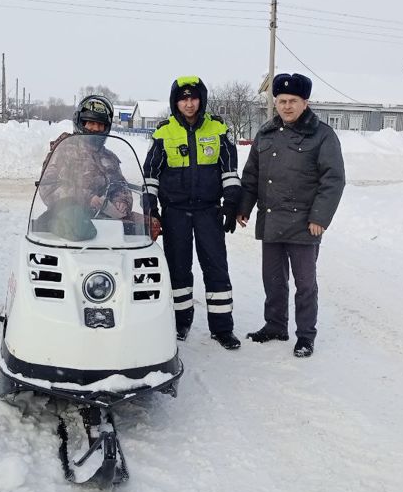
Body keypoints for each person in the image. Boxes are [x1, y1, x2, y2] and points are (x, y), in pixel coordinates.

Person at [237, 73, 345, 358]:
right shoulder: (266, 133)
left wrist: (319, 218)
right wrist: (244, 207)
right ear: (275, 102)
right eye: (282, 100)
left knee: (305, 284)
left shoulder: (323, 135)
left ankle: (306, 336)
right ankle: (275, 326)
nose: (287, 106)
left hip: (305, 224)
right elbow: (252, 175)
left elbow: (333, 180)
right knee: (273, 279)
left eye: (293, 101)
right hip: (271, 219)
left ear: (305, 102)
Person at [143, 76, 242, 350]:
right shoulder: (164, 132)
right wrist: (151, 209)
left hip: (209, 211)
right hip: (175, 212)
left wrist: (231, 203)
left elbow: (229, 170)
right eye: (183, 99)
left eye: (193, 98)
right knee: (178, 270)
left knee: (216, 268)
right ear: (175, 102)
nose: (189, 104)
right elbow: (150, 175)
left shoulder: (218, 128)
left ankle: (222, 328)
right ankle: (180, 323)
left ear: (202, 100)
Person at [39, 95, 132, 223]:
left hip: (106, 223)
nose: (96, 128)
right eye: (91, 123)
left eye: (100, 125)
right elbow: (48, 186)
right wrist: (87, 198)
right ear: (81, 123)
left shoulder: (110, 158)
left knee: (144, 226)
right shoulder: (64, 150)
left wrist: (122, 201)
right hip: (69, 221)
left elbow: (121, 186)